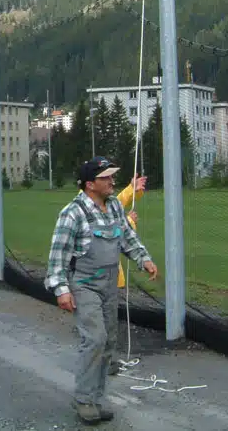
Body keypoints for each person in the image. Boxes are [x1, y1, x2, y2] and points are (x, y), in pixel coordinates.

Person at [45, 156, 159, 425]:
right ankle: (84, 399)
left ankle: (96, 399)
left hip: (109, 283)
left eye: (111, 176)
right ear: (89, 184)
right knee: (95, 339)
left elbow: (127, 238)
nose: (111, 181)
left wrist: (143, 258)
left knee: (108, 342)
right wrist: (61, 290)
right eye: (105, 177)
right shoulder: (72, 213)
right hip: (84, 285)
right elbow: (57, 256)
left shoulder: (115, 207)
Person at [108, 174, 149, 376]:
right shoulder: (85, 208)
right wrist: (130, 223)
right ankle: (96, 369)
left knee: (109, 324)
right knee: (99, 328)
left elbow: (115, 205)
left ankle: (104, 363)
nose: (111, 182)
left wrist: (132, 189)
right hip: (95, 280)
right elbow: (111, 232)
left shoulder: (101, 201)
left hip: (109, 278)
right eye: (106, 178)